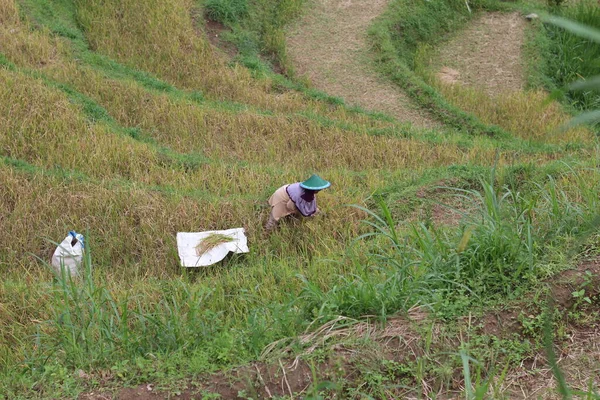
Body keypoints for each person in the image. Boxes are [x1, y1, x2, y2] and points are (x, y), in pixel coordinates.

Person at [265, 174, 331, 233]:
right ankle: (267, 232)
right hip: (282, 197)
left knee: (296, 213)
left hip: (290, 196)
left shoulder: (309, 191)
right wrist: (299, 210)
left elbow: (311, 205)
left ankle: (289, 222)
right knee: (275, 217)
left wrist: (316, 212)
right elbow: (289, 206)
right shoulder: (298, 194)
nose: (319, 190)